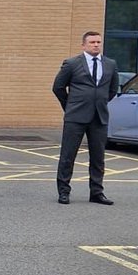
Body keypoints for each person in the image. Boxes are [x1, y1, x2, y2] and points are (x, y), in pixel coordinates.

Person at [52, 30, 120, 205]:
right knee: (68, 155)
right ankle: (64, 191)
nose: (96, 45)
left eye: (98, 42)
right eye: (92, 42)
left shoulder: (110, 64)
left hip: (99, 117)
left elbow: (112, 90)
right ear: (84, 45)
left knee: (98, 157)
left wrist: (100, 102)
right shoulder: (72, 63)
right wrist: (69, 106)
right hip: (75, 116)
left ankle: (97, 192)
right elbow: (58, 87)